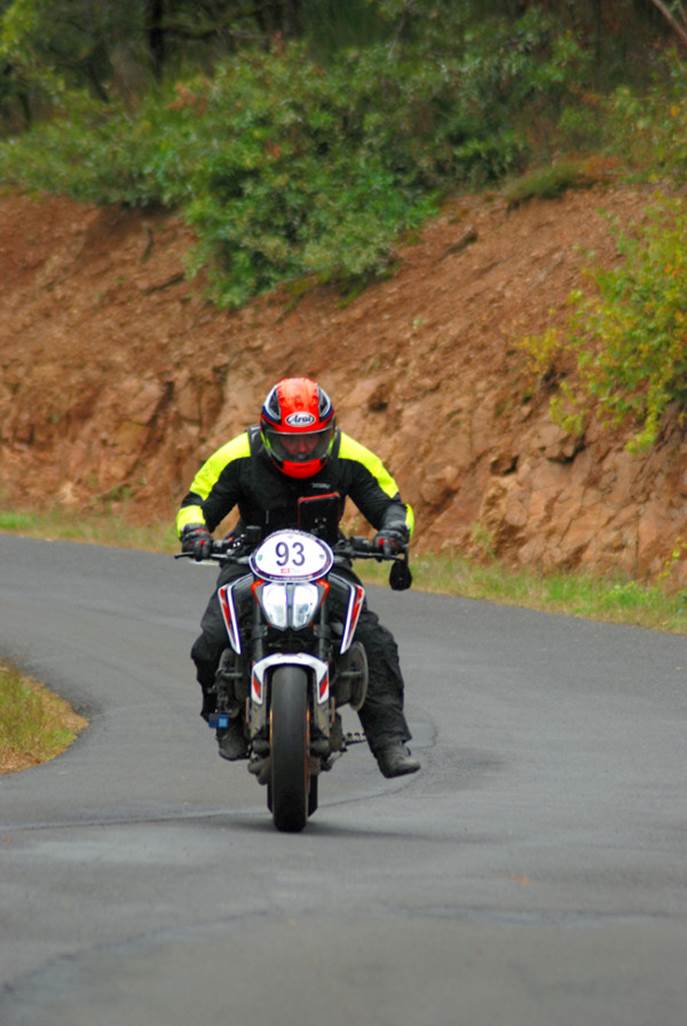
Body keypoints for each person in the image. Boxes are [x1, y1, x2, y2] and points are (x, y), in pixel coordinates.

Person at [176, 377, 420, 779]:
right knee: (212, 639)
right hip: (249, 556)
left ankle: (391, 741)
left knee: (375, 640)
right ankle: (224, 721)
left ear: (329, 433)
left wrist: (392, 532)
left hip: (327, 558)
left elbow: (392, 503)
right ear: (268, 433)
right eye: (291, 441)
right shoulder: (238, 453)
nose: (303, 448)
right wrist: (196, 532)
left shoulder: (349, 453)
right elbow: (196, 502)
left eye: (312, 439)